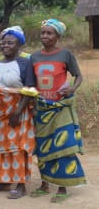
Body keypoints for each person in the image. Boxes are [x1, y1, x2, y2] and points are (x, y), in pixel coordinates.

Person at [29, 19, 86, 203]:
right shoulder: (34, 57)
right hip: (42, 109)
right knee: (43, 148)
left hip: (61, 108)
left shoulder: (66, 54)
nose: (45, 36)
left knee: (62, 148)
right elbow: (31, 84)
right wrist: (31, 103)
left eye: (50, 33)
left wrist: (72, 89)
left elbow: (78, 76)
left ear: (58, 36)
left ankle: (62, 186)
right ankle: (45, 184)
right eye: (43, 33)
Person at [0, 27, 36, 199]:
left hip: (17, 112)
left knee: (19, 148)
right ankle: (2, 180)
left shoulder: (25, 63)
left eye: (10, 42)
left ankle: (21, 184)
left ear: (19, 45)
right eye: (3, 42)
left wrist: (18, 111)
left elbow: (29, 89)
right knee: (1, 148)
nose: (5, 45)